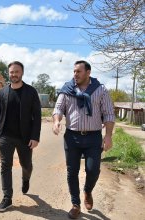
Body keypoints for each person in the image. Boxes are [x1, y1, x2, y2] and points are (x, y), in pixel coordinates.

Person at [52, 60, 115, 219]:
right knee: (72, 171)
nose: (75, 74)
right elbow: (58, 108)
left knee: (93, 170)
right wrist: (56, 121)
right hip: (72, 137)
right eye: (74, 71)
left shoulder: (100, 90)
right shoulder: (67, 90)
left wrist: (108, 136)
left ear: (88, 73)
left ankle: (87, 190)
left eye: (78, 71)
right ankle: (75, 204)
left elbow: (108, 113)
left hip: (93, 137)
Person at [0, 61, 41, 212]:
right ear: (9, 73)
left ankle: (26, 179)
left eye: (16, 72)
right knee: (5, 166)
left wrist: (35, 137)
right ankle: (7, 198)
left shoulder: (31, 92)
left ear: (22, 73)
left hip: (25, 138)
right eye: (11, 72)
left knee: (26, 165)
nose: (14, 74)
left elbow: (37, 116)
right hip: (5, 136)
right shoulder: (3, 92)